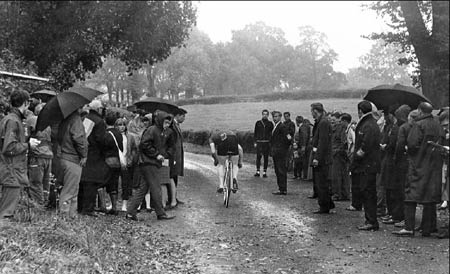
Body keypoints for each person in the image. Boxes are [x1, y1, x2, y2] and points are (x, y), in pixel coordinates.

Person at [393, 102, 445, 237]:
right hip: (434, 166)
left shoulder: (419, 125)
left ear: (420, 111)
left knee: (410, 195)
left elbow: (412, 144)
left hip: (418, 164)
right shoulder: (438, 124)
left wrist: (408, 149)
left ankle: (409, 227)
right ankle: (427, 228)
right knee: (429, 198)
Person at [126, 110, 175, 221]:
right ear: (161, 121)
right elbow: (144, 144)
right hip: (149, 162)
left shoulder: (166, 132)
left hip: (150, 162)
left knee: (143, 188)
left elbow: (171, 147)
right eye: (165, 122)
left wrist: (165, 154)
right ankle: (160, 213)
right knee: (156, 187)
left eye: (169, 123)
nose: (167, 125)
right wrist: (156, 155)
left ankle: (130, 212)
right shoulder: (152, 130)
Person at [0, 90, 39, 220]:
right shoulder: (12, 121)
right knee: (6, 213)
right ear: (26, 103)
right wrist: (28, 145)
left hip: (13, 171)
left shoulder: (13, 119)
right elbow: (9, 147)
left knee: (9, 211)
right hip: (11, 171)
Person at [351, 100, 381, 231]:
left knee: (368, 193)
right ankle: (370, 220)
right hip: (367, 164)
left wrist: (357, 156)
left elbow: (365, 145)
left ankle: (371, 221)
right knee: (367, 192)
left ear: (360, 111)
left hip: (367, 165)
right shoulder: (369, 123)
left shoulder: (368, 125)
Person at [56, 106, 88, 219]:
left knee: (73, 189)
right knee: (70, 190)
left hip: (64, 157)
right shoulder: (75, 119)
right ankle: (64, 217)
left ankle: (72, 216)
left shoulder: (65, 119)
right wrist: (84, 154)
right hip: (72, 158)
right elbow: (78, 138)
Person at [78, 100, 108, 217]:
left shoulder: (85, 118)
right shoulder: (99, 122)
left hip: (84, 153)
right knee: (92, 182)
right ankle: (89, 208)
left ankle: (80, 207)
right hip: (95, 155)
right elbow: (101, 140)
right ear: (99, 109)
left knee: (82, 182)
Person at [27, 103, 53, 207]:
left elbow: (25, 136)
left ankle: (38, 205)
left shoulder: (32, 120)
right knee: (46, 182)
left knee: (35, 182)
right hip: (48, 155)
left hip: (37, 155)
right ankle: (44, 203)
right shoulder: (50, 122)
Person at [310, 103, 334, 213]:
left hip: (322, 159)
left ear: (315, 111)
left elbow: (322, 142)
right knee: (321, 182)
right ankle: (328, 203)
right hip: (321, 157)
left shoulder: (323, 123)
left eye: (312, 111)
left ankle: (324, 206)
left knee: (321, 183)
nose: (311, 113)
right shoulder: (321, 122)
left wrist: (317, 158)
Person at [115, 118, 139, 212]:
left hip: (127, 162)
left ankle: (124, 203)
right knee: (115, 183)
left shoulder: (130, 137)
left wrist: (131, 159)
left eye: (123, 125)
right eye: (119, 125)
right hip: (117, 162)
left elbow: (134, 149)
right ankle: (115, 202)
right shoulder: (114, 135)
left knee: (126, 184)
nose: (121, 127)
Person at [103, 112, 123, 215]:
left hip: (108, 161)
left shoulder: (105, 134)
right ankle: (115, 206)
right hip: (118, 161)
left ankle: (105, 205)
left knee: (107, 184)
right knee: (115, 183)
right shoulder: (119, 134)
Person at [271, 111, 292, 195]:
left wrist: (282, 149)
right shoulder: (276, 126)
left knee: (281, 170)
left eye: (276, 116)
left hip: (280, 153)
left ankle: (283, 189)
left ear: (280, 117)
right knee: (277, 170)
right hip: (276, 152)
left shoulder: (282, 126)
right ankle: (281, 188)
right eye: (273, 116)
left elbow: (288, 138)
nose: (275, 118)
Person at [330, 112, 350, 201]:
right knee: (341, 175)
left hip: (338, 155)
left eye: (334, 120)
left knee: (337, 175)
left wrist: (337, 150)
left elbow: (344, 142)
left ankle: (338, 194)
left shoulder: (341, 128)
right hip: (337, 154)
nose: (332, 122)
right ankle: (343, 194)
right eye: (331, 120)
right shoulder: (337, 128)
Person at [170, 108, 187, 205]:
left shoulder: (176, 125)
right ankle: (172, 198)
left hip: (177, 155)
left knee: (175, 175)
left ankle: (174, 197)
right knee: (172, 175)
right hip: (174, 155)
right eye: (183, 116)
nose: (184, 118)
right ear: (177, 115)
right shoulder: (173, 125)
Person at [253, 109, 273, 178]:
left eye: (266, 114)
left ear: (268, 115)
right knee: (258, 157)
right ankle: (258, 171)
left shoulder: (270, 123)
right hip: (259, 142)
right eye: (263, 114)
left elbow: (271, 133)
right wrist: (255, 142)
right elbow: (255, 133)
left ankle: (264, 172)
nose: (264, 115)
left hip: (266, 143)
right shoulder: (258, 123)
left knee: (266, 158)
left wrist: (271, 142)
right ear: (262, 115)